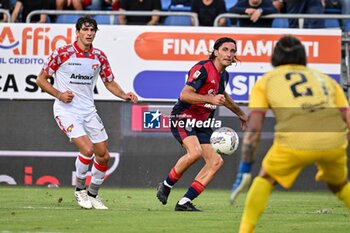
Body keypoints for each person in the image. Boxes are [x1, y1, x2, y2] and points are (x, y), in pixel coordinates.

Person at [229, 35, 350, 232]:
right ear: (303, 56)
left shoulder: (266, 81)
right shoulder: (325, 79)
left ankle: (245, 230)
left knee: (265, 178)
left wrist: (244, 168)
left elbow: (254, 128)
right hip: (334, 141)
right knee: (339, 185)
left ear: (274, 57)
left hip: (294, 141)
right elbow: (347, 117)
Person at [36, 16, 138, 210]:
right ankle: (80, 189)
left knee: (103, 155)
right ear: (77, 32)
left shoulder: (99, 56)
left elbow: (109, 81)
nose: (89, 33)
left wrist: (124, 95)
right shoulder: (62, 53)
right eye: (85, 30)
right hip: (66, 110)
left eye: (92, 30)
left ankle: (93, 194)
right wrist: (59, 94)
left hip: (88, 110)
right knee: (87, 149)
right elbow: (41, 80)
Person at [156, 37, 248, 211]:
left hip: (203, 122)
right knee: (195, 152)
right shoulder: (203, 68)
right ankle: (166, 185)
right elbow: (185, 94)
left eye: (233, 51)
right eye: (225, 50)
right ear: (215, 52)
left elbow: (223, 97)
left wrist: (240, 114)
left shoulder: (224, 75)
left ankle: (184, 203)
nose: (229, 54)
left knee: (216, 162)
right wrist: (210, 98)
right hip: (184, 116)